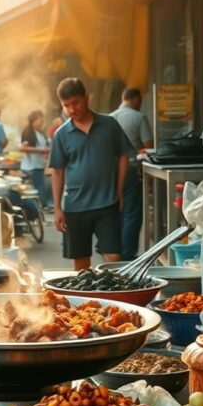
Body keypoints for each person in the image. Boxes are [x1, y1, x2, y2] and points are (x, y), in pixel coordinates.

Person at [50, 78, 132, 271]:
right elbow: (57, 171)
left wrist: (119, 191)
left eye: (76, 103)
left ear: (86, 97)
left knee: (113, 257)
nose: (72, 110)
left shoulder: (109, 124)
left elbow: (123, 156)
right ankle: (87, 300)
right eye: (66, 106)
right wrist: (57, 208)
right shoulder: (61, 135)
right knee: (81, 264)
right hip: (75, 207)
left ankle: (115, 299)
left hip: (107, 203)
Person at [110, 87, 155, 261]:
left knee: (116, 211)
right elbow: (149, 147)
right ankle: (127, 254)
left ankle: (114, 250)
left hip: (111, 171)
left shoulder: (109, 118)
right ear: (136, 99)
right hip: (130, 169)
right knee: (132, 212)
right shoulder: (139, 117)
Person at [19, 110, 52, 209]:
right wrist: (41, 150)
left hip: (39, 165)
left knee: (40, 187)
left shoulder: (39, 133)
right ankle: (41, 207)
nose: (42, 123)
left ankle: (41, 206)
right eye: (40, 120)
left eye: (43, 120)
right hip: (31, 166)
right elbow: (23, 148)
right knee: (38, 188)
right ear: (33, 121)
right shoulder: (28, 132)